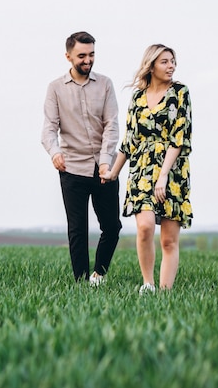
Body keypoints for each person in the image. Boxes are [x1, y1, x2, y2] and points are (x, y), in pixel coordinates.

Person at [102, 44, 193, 294]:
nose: (171, 65)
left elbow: (179, 138)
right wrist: (113, 172)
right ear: (151, 65)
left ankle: (164, 294)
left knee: (168, 239)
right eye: (164, 61)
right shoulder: (138, 97)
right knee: (144, 228)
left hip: (172, 172)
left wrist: (163, 175)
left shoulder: (180, 93)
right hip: (141, 170)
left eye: (173, 61)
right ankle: (148, 285)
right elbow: (129, 140)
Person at [41, 31, 122, 285]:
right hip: (72, 168)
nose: (88, 60)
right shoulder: (55, 88)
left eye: (92, 54)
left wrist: (107, 159)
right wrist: (55, 153)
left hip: (103, 168)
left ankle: (98, 274)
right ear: (68, 57)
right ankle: (80, 282)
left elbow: (112, 125)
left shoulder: (106, 84)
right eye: (82, 56)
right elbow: (48, 129)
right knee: (77, 230)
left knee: (112, 227)